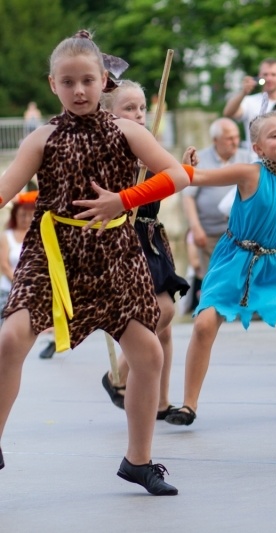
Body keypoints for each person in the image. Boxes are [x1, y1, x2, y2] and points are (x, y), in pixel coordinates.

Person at [0, 30, 191, 495]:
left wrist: (122, 200)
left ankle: (139, 461)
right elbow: (4, 191)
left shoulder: (129, 130)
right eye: (68, 82)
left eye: (88, 80)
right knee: (10, 339)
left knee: (149, 354)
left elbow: (179, 175)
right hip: (52, 256)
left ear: (104, 80)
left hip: (113, 254)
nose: (79, 90)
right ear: (53, 85)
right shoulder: (42, 138)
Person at [164, 110, 276, 427]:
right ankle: (188, 405)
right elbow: (195, 179)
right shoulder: (249, 172)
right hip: (235, 259)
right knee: (204, 325)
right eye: (274, 135)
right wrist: (188, 166)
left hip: (275, 261)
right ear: (257, 148)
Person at [97, 80, 190, 422]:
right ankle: (121, 376)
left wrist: (184, 165)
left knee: (165, 319)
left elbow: (172, 180)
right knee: (158, 313)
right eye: (129, 108)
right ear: (109, 113)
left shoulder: (149, 147)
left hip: (151, 237)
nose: (138, 114)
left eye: (141, 108)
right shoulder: (108, 151)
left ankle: (156, 398)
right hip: (125, 240)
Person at [182, 117, 252, 287]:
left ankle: (239, 313)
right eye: (229, 138)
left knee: (240, 279)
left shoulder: (247, 157)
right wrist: (195, 227)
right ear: (215, 140)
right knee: (214, 280)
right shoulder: (201, 160)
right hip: (210, 234)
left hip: (241, 233)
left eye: (237, 137)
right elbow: (187, 196)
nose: (235, 142)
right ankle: (214, 312)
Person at [0, 191, 37, 323]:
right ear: (15, 215)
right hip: (8, 291)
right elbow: (4, 265)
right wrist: (20, 283)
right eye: (22, 215)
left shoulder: (37, 235)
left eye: (30, 215)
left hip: (33, 292)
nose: (26, 219)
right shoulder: (7, 236)